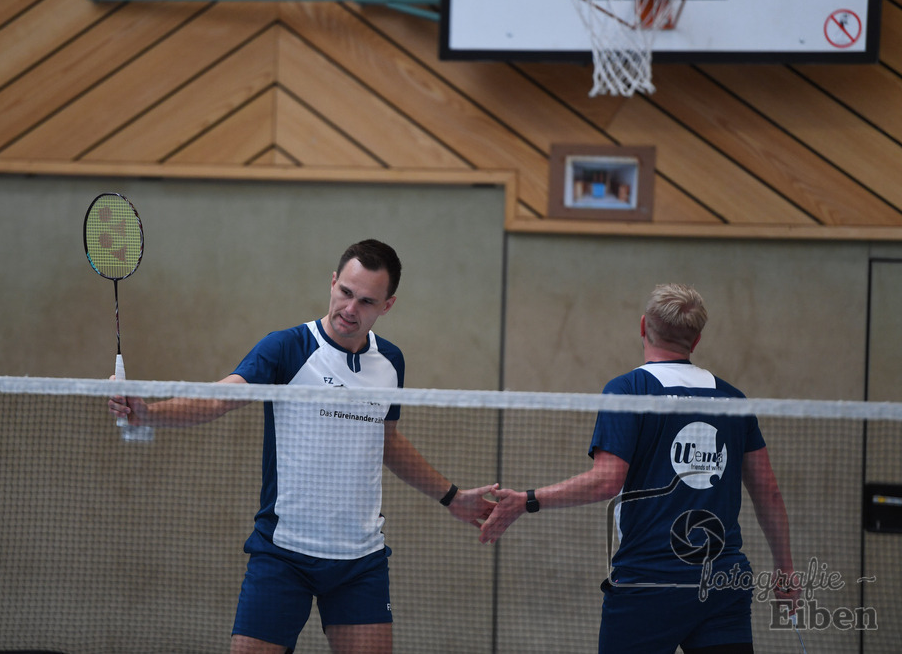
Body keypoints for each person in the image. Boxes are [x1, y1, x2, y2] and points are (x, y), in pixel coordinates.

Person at [110, 239, 496, 654]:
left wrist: (451, 496)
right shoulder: (287, 348)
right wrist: (148, 413)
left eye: (366, 301)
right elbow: (219, 398)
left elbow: (386, 442)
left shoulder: (390, 363)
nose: (350, 308)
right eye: (345, 292)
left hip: (360, 561)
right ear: (332, 282)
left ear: (387, 306)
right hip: (283, 555)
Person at [479, 283, 796, 654]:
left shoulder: (629, 390)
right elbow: (769, 492)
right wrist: (786, 569)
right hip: (723, 582)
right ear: (695, 342)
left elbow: (605, 482)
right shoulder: (732, 399)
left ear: (643, 326)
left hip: (648, 582)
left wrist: (527, 500)